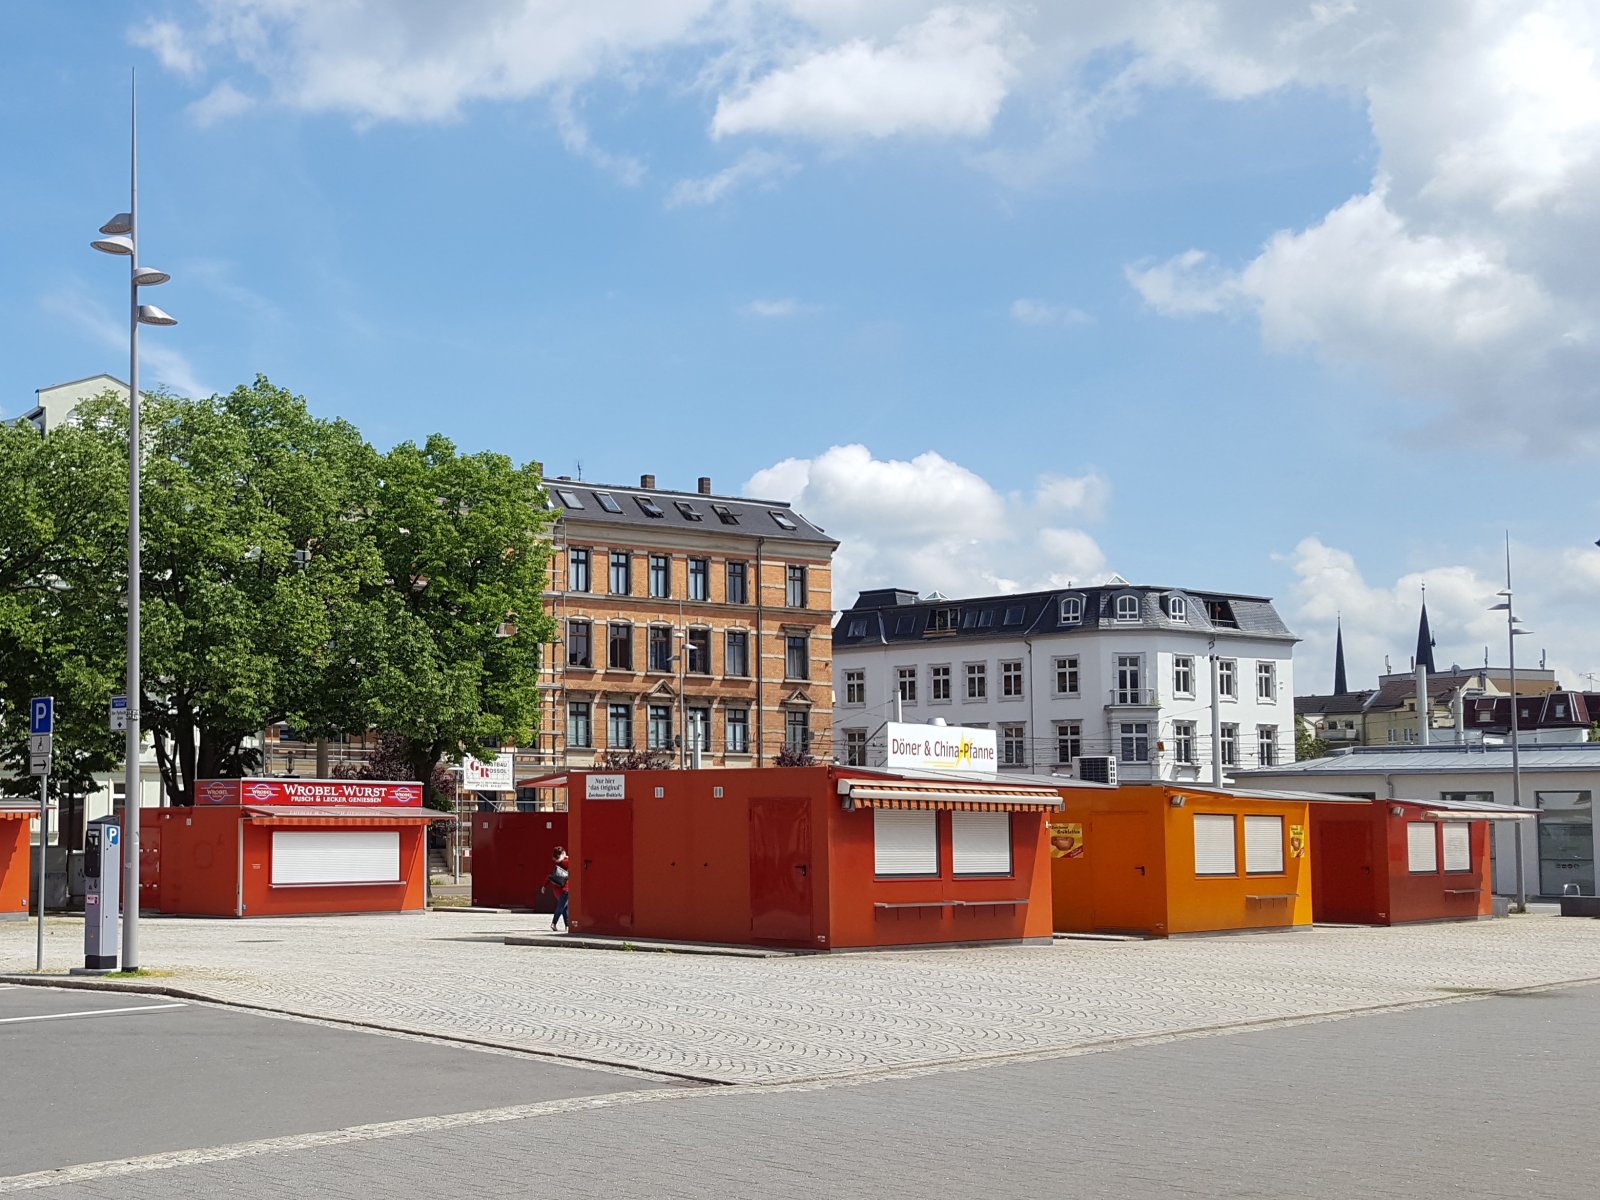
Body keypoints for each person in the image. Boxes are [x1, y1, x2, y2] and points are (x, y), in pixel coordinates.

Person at [545, 846, 571, 933]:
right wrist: (568, 857)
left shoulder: (557, 865)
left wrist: (544, 886)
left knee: (564, 908)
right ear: (563, 853)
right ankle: (554, 923)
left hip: (557, 890)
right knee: (561, 907)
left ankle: (567, 926)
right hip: (566, 889)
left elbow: (549, 876)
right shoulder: (566, 862)